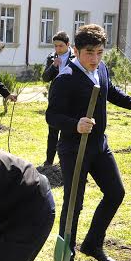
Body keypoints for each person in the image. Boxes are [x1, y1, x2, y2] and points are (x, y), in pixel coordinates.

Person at [46, 24, 131, 261]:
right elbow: (52, 116)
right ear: (75, 50)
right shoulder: (66, 79)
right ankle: (66, 258)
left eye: (99, 52)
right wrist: (75, 124)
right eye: (89, 53)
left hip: (98, 145)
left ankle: (93, 243)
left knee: (116, 192)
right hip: (74, 148)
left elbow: (111, 92)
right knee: (74, 203)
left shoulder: (101, 69)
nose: (95, 59)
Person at [42, 31, 75, 166]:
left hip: (71, 100)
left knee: (67, 132)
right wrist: (53, 65)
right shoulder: (52, 57)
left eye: (60, 46)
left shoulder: (75, 57)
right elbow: (45, 78)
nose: (57, 49)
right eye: (55, 46)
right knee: (52, 132)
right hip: (55, 100)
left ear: (68, 44)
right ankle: (49, 161)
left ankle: (64, 162)